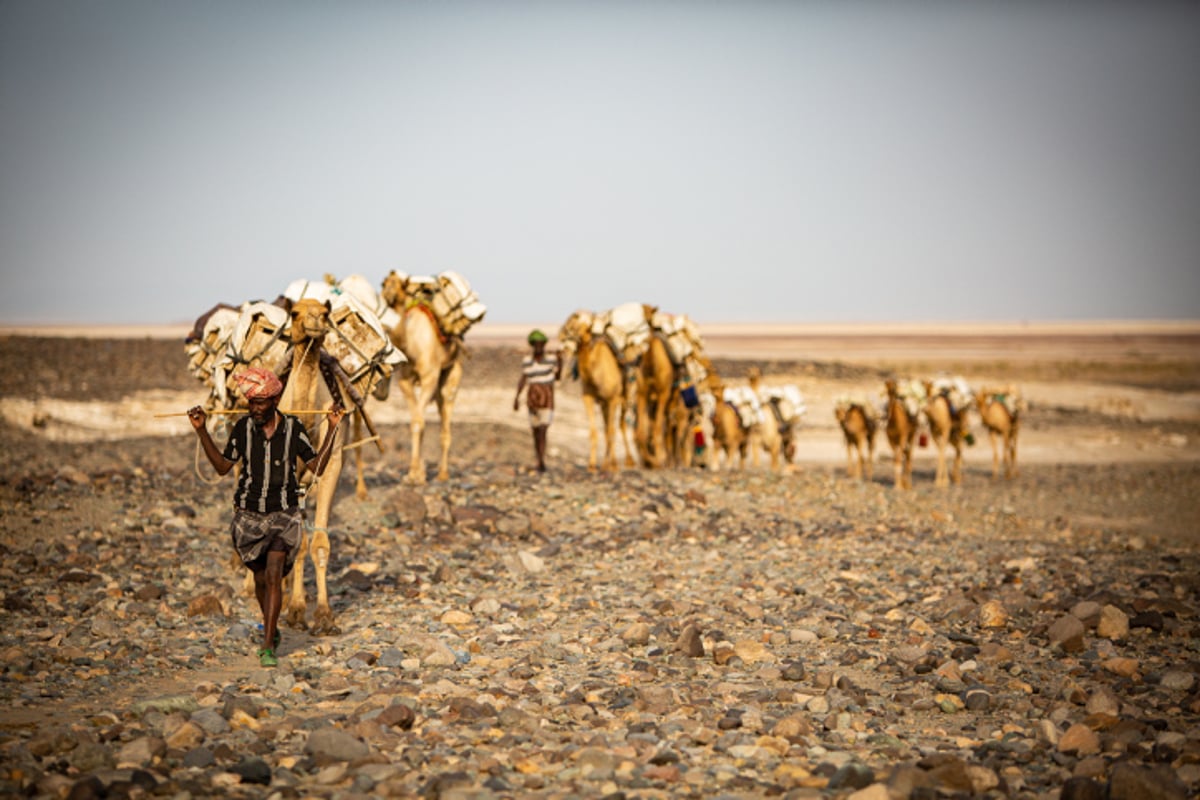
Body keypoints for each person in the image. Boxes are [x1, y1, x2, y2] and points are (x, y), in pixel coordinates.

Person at [187, 367, 345, 667]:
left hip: (284, 514)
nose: (255, 408)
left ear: (275, 400)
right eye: (252, 402)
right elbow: (222, 467)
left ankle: (268, 644)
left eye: (261, 402)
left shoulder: (293, 428)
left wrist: (333, 427)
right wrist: (201, 431)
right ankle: (270, 625)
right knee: (261, 579)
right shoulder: (242, 429)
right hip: (248, 516)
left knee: (274, 575)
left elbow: (318, 467)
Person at [513, 329, 562, 472]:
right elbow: (523, 379)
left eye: (541, 344)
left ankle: (541, 460)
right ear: (533, 346)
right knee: (535, 430)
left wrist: (560, 361)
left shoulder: (551, 360)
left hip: (547, 397)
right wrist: (516, 397)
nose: (539, 347)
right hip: (533, 398)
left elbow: (557, 377)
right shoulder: (527, 361)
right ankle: (538, 458)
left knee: (543, 429)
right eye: (536, 344)